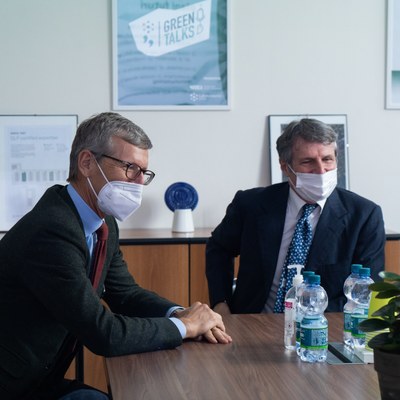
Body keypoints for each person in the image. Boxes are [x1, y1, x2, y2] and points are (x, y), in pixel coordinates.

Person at [0, 112, 232, 400]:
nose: (139, 182)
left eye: (144, 172)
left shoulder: (103, 222)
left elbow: (125, 294)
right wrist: (186, 326)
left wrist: (178, 313)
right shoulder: (51, 229)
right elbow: (103, 332)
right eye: (130, 168)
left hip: (41, 379)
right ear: (87, 163)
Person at [206, 118, 385, 315]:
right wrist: (221, 302)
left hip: (324, 324)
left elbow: (366, 290)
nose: (321, 170)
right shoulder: (250, 205)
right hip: (254, 320)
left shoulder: (364, 215)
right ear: (285, 167)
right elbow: (219, 248)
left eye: (327, 159)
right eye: (308, 161)